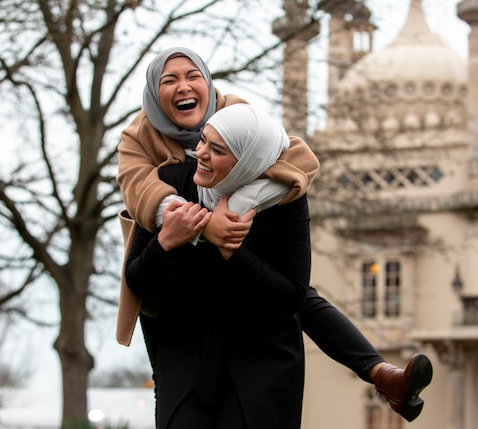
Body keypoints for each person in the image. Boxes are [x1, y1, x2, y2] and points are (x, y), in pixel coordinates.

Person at [116, 46, 432, 422]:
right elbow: (140, 195)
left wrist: (239, 207)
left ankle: (380, 372)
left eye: (192, 76)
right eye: (169, 80)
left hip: (252, 316)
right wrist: (200, 225)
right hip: (178, 300)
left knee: (298, 295)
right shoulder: (144, 145)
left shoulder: (238, 120)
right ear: (155, 92)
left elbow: (294, 159)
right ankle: (377, 370)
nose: (183, 87)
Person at [126, 103, 310, 429]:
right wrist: (166, 241)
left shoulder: (284, 201)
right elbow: (136, 280)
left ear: (248, 161)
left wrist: (233, 252)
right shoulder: (172, 184)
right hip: (188, 357)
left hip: (261, 364)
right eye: (202, 141)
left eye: (217, 149)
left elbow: (292, 295)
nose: (201, 153)